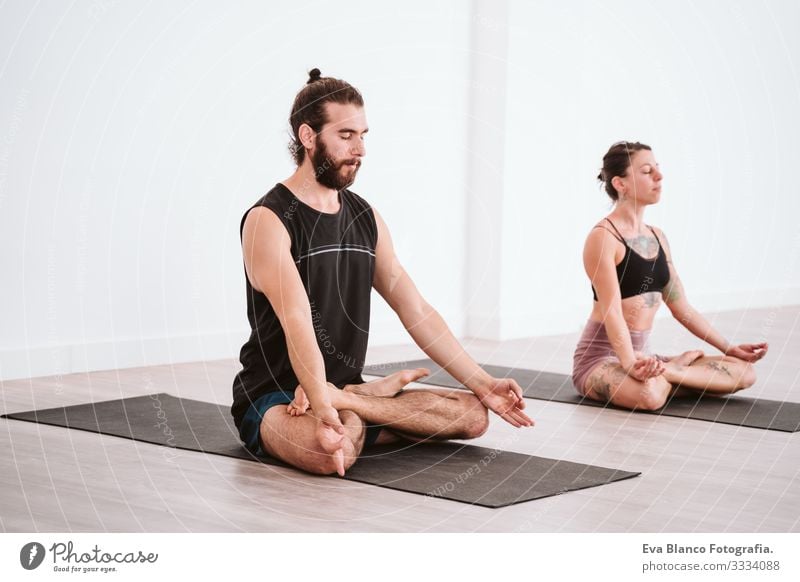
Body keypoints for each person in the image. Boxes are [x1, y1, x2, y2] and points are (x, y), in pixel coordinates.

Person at [231, 69, 532, 476]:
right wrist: (320, 400)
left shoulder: (365, 217)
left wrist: (483, 382)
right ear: (307, 136)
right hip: (274, 397)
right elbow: (297, 319)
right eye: (346, 135)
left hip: (341, 389)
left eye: (363, 135)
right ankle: (357, 409)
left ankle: (353, 401)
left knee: (474, 414)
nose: (360, 149)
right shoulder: (268, 219)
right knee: (325, 454)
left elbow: (416, 310)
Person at [573, 141, 768, 411]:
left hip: (648, 359)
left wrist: (728, 348)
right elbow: (612, 313)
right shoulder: (604, 238)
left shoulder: (658, 238)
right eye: (646, 171)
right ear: (620, 184)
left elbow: (682, 308)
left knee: (745, 371)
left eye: (657, 169)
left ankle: (670, 372)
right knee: (649, 396)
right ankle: (676, 374)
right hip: (602, 361)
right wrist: (629, 364)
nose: (659, 176)